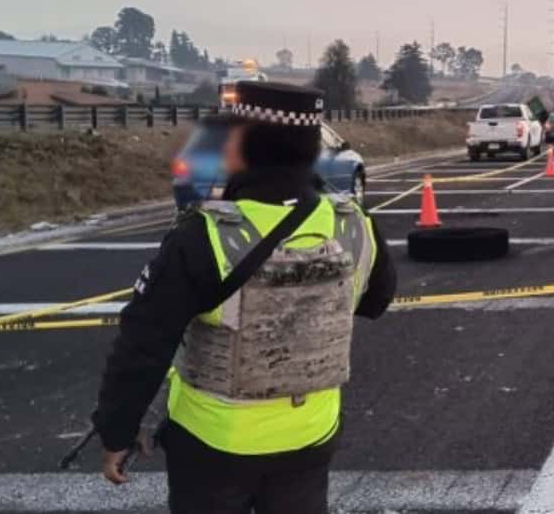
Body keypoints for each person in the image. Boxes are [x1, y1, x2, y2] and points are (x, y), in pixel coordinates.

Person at [91, 80, 396, 514]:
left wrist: (117, 431)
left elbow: (144, 342)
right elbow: (376, 301)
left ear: (245, 145)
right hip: (310, 436)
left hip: (213, 445)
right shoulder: (354, 225)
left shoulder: (205, 235)